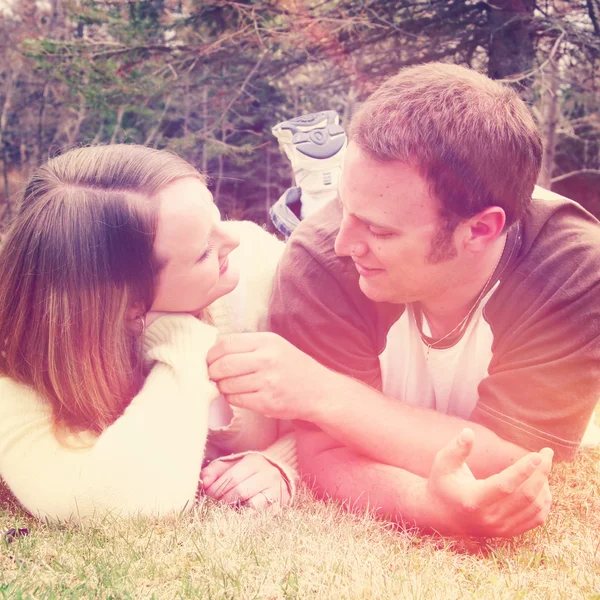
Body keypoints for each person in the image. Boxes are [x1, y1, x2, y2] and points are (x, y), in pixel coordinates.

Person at [207, 62, 600, 537]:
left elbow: (511, 458)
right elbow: (324, 453)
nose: (343, 243)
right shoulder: (319, 257)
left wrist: (322, 392)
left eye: (379, 229)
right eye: (344, 207)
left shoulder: (572, 269)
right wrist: (429, 505)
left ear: (479, 230)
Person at [0, 144, 297, 522]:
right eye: (204, 251)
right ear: (130, 305)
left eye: (215, 215)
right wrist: (183, 341)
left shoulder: (261, 270)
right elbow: (109, 504)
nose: (233, 240)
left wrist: (281, 460)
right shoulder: (18, 366)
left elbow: (350, 395)